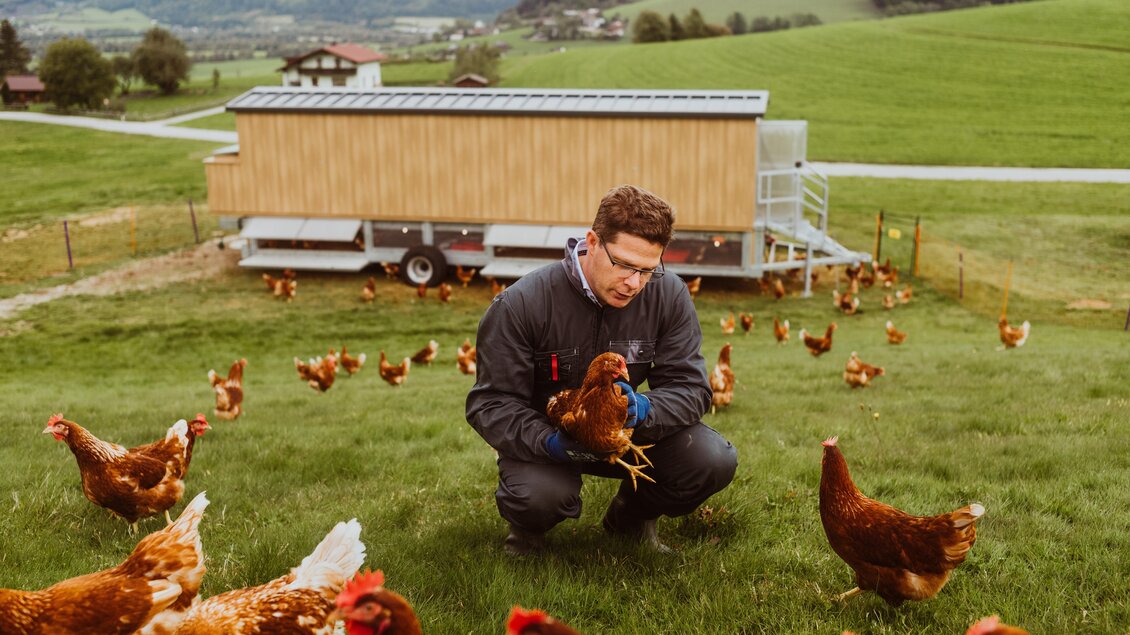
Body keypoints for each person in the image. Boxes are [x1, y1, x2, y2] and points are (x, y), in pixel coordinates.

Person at [465, 184, 738, 556]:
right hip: (548, 440)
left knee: (711, 459)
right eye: (624, 264)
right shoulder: (521, 304)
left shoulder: (669, 295)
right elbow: (491, 404)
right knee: (538, 496)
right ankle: (526, 533)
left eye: (647, 270)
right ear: (592, 241)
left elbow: (691, 388)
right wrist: (549, 442)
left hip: (624, 433)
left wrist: (642, 410)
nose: (634, 283)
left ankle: (631, 516)